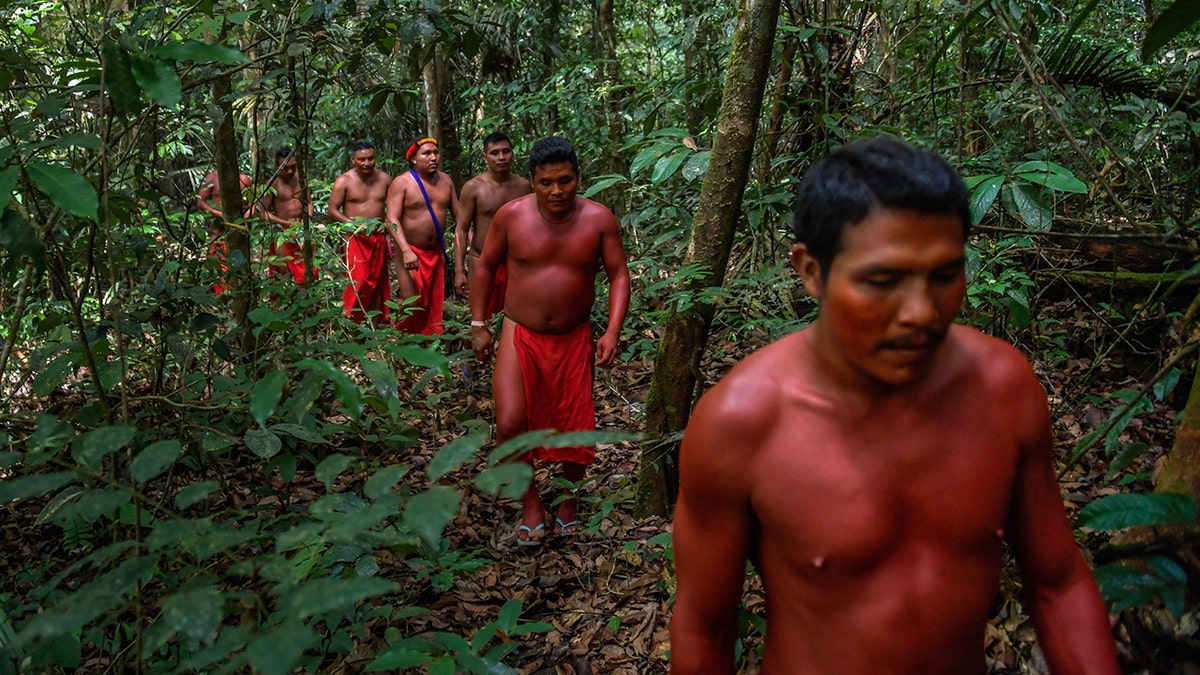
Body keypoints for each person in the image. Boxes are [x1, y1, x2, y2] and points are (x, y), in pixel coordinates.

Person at [669, 137, 1120, 674]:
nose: (921, 313)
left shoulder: (1003, 390)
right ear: (811, 271)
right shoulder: (740, 424)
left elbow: (1058, 583)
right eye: (883, 281)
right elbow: (704, 627)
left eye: (945, 276)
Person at [470, 136, 631, 546]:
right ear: (533, 181)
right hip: (519, 332)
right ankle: (531, 505)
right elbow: (486, 266)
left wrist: (612, 330)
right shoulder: (511, 216)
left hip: (573, 337)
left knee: (574, 426)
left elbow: (618, 275)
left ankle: (568, 503)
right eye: (546, 182)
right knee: (509, 423)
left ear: (579, 178)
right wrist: (478, 324)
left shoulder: (599, 219)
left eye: (565, 180)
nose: (556, 191)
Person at [386, 137, 459, 335]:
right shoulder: (401, 183)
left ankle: (430, 338)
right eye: (426, 153)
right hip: (409, 249)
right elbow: (391, 218)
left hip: (435, 250)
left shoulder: (446, 181)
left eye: (436, 152)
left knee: (434, 298)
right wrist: (406, 250)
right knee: (412, 298)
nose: (433, 157)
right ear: (414, 159)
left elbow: (459, 216)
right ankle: (404, 339)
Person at [454, 132, 532, 317]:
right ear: (485, 157)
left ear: (513, 154)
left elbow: (531, 227)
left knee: (513, 317)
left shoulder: (524, 187)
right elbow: (461, 230)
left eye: (506, 151)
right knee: (480, 317)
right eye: (495, 153)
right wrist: (459, 270)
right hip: (480, 261)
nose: (501, 157)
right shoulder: (474, 187)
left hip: (513, 263)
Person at [328, 139, 392, 324]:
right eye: (361, 159)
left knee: (377, 280)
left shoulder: (385, 179)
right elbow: (332, 210)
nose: (367, 163)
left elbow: (394, 208)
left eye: (371, 158)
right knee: (359, 280)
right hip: (354, 238)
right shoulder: (344, 181)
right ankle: (351, 321)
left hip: (378, 237)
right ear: (353, 160)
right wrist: (354, 226)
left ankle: (375, 321)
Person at [260, 146, 316, 286]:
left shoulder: (301, 179)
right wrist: (288, 224)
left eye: (293, 167)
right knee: (284, 272)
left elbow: (309, 203)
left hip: (303, 229)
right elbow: (264, 213)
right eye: (285, 168)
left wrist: (307, 219)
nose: (290, 171)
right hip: (283, 233)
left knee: (309, 269)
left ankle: (309, 305)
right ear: (277, 166)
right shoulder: (273, 184)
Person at [196, 167, 252, 294]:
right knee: (216, 263)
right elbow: (200, 202)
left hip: (238, 228)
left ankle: (238, 293)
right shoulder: (212, 178)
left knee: (238, 261)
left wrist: (248, 214)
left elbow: (253, 202)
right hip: (217, 229)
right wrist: (218, 213)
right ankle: (217, 294)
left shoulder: (244, 180)